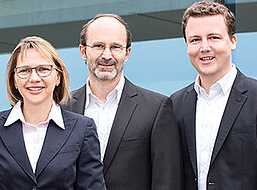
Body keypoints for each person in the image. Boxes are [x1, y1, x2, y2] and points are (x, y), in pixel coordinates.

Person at [61, 14, 182, 189]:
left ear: (127, 53)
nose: (107, 55)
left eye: (116, 47)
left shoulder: (157, 108)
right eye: (98, 46)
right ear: (83, 51)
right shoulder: (62, 108)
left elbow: (166, 181)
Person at [0, 36, 106, 190]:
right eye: (24, 71)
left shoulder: (83, 129)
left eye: (43, 69)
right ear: (14, 80)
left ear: (57, 77)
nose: (34, 78)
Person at [171, 0, 257, 190]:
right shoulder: (174, 104)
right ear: (187, 46)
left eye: (213, 37)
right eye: (195, 39)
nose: (204, 47)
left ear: (232, 41)